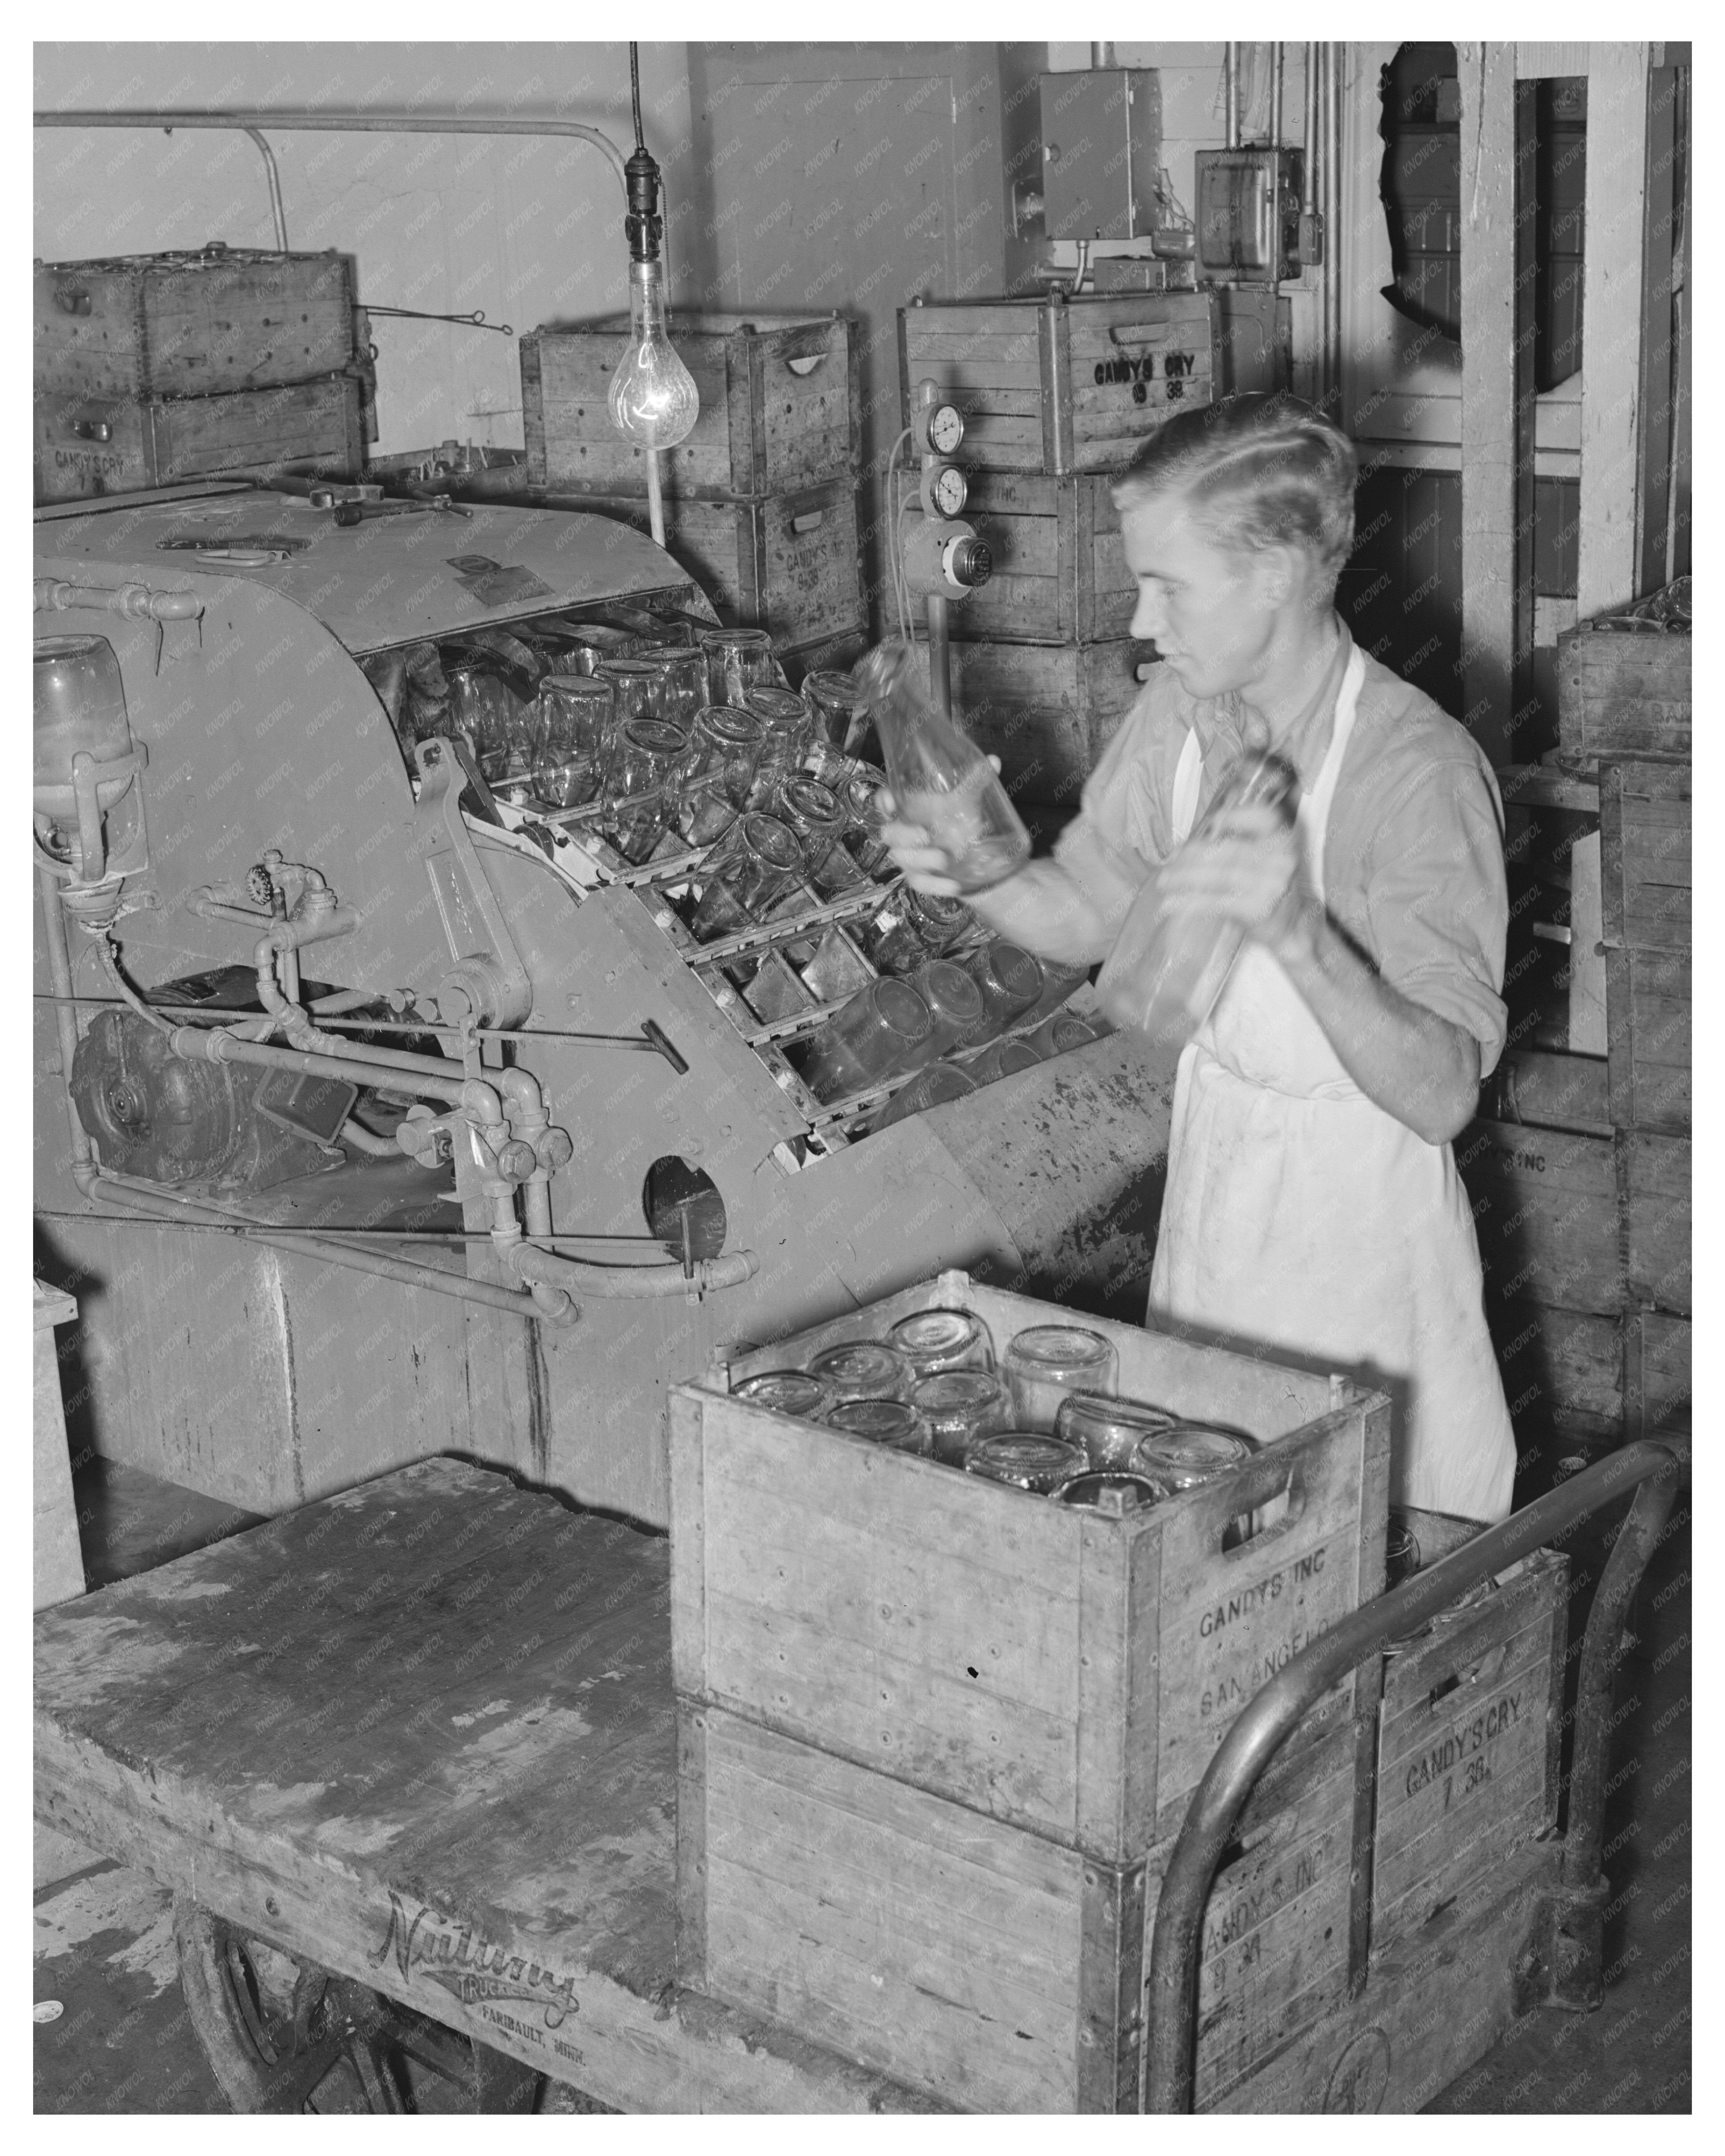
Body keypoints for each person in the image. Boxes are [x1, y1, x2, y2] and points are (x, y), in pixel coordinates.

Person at [882, 393, 1516, 1522]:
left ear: (1273, 574)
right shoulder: (1184, 709)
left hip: (1361, 1243)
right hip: (1219, 1198)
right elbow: (1091, 910)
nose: (1140, 619)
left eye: (1168, 584)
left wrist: (1296, 929)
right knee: (1210, 1543)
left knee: (1363, 1567)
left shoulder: (1416, 773)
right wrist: (980, 877)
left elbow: (1442, 1095)